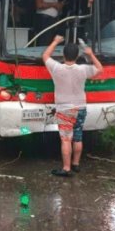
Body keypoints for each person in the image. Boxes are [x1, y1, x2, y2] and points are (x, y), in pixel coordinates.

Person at [42, 35, 103, 177]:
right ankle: (76, 164)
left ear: (63, 55)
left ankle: (66, 168)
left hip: (65, 109)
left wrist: (55, 41)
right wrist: (90, 54)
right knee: (78, 137)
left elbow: (45, 55)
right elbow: (100, 69)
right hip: (81, 107)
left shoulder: (56, 68)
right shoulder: (83, 69)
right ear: (77, 56)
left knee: (66, 139)